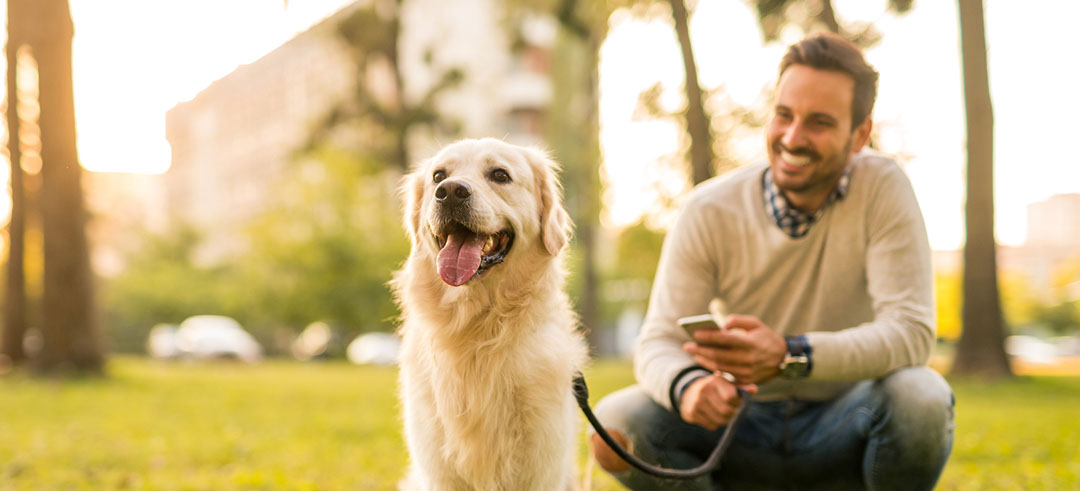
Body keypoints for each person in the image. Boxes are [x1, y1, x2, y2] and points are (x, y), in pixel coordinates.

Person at [590, 33, 954, 490]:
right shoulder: (708, 209)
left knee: (922, 397)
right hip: (738, 427)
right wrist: (690, 386)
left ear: (860, 135)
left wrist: (790, 354)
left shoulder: (883, 188)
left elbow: (911, 333)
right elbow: (658, 341)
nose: (792, 137)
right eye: (784, 115)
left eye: (819, 122)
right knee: (616, 425)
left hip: (846, 421)